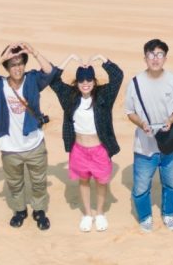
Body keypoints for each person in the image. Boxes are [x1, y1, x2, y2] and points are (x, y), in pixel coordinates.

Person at [0, 41, 59, 231]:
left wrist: (35, 52)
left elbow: (50, 72)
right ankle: (19, 210)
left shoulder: (32, 80)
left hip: (34, 144)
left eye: (21, 63)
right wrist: (1, 58)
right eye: (13, 64)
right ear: (7, 67)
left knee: (39, 182)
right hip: (10, 147)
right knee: (15, 184)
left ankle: (39, 210)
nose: (18, 68)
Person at [49, 53, 123, 232]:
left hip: (99, 149)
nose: (85, 83)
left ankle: (99, 213)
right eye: (82, 80)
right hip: (79, 150)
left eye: (89, 79)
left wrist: (102, 58)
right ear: (77, 82)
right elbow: (53, 80)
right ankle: (88, 214)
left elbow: (118, 76)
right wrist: (68, 59)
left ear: (94, 81)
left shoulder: (104, 96)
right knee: (83, 181)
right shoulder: (70, 96)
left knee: (101, 182)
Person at [124, 38, 173, 232]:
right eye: (151, 54)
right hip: (144, 144)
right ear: (145, 57)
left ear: (165, 58)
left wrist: (171, 119)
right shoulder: (135, 83)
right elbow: (130, 112)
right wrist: (141, 123)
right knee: (141, 186)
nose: (155, 58)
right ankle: (145, 216)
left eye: (159, 54)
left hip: (168, 141)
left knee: (172, 182)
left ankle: (169, 214)